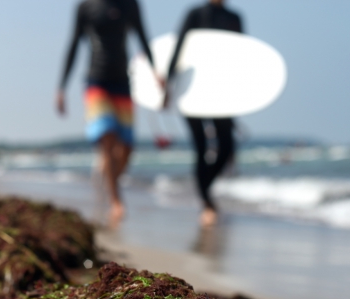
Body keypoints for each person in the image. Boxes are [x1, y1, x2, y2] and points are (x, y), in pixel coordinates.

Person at [57, 0, 158, 227]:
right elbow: (73, 44)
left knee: (127, 147)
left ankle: (108, 178)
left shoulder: (130, 5)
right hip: (97, 82)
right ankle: (116, 201)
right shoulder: (86, 7)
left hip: (123, 82)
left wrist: (156, 73)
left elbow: (143, 37)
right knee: (108, 137)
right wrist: (61, 88)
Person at [165, 0, 243, 227]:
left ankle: (205, 192)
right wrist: (168, 85)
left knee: (227, 147)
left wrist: (241, 100)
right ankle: (207, 202)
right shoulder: (195, 14)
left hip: (222, 92)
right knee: (201, 148)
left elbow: (243, 59)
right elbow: (179, 47)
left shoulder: (234, 18)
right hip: (192, 91)